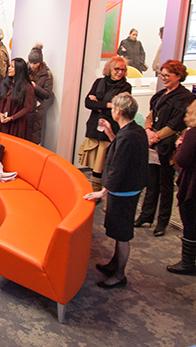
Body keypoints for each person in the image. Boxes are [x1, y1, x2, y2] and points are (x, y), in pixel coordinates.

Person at [84, 93, 148, 289]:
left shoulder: (129, 135)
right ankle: (114, 264)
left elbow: (119, 166)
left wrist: (103, 192)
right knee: (118, 231)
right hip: (127, 189)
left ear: (118, 111)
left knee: (122, 234)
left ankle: (119, 274)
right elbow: (118, 147)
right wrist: (110, 132)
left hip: (124, 191)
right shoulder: (133, 130)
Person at [134, 60, 194, 236]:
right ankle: (146, 215)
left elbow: (176, 124)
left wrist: (156, 136)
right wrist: (147, 130)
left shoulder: (186, 98)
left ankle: (162, 221)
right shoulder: (160, 95)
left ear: (178, 76)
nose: (164, 78)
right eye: (162, 74)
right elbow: (151, 115)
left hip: (167, 149)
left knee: (166, 186)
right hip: (154, 145)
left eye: (168, 75)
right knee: (151, 182)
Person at [78, 56, 131, 195]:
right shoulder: (99, 82)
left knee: (105, 162)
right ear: (109, 69)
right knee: (95, 163)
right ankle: (96, 192)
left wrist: (99, 104)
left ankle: (104, 193)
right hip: (96, 126)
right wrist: (108, 104)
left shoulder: (126, 87)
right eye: (117, 69)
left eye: (123, 70)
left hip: (111, 128)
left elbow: (120, 107)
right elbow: (88, 103)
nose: (120, 72)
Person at [167, 100, 196, 275]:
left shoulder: (193, 134)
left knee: (190, 223)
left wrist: (179, 147)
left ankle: (187, 263)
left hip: (193, 186)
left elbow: (182, 160)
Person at [0, 58, 35, 139]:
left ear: (19, 69)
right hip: (2, 123)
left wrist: (12, 118)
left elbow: (27, 108)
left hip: (16, 125)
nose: (9, 68)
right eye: (10, 66)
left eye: (12, 67)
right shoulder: (4, 83)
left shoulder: (27, 87)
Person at [26, 43, 54, 145]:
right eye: (30, 62)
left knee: (33, 136)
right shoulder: (24, 69)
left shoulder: (46, 74)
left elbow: (47, 94)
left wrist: (35, 87)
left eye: (35, 63)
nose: (32, 66)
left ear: (40, 62)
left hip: (36, 109)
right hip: (23, 106)